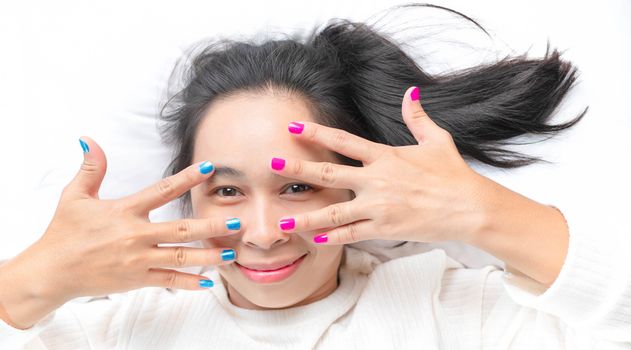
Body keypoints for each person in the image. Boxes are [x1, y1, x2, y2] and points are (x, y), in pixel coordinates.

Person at [1, 6, 630, 349]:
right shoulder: (108, 331)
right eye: (225, 190)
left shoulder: (460, 308)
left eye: (298, 186)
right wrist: (32, 280)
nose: (266, 234)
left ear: (356, 184)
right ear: (185, 196)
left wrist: (481, 212)